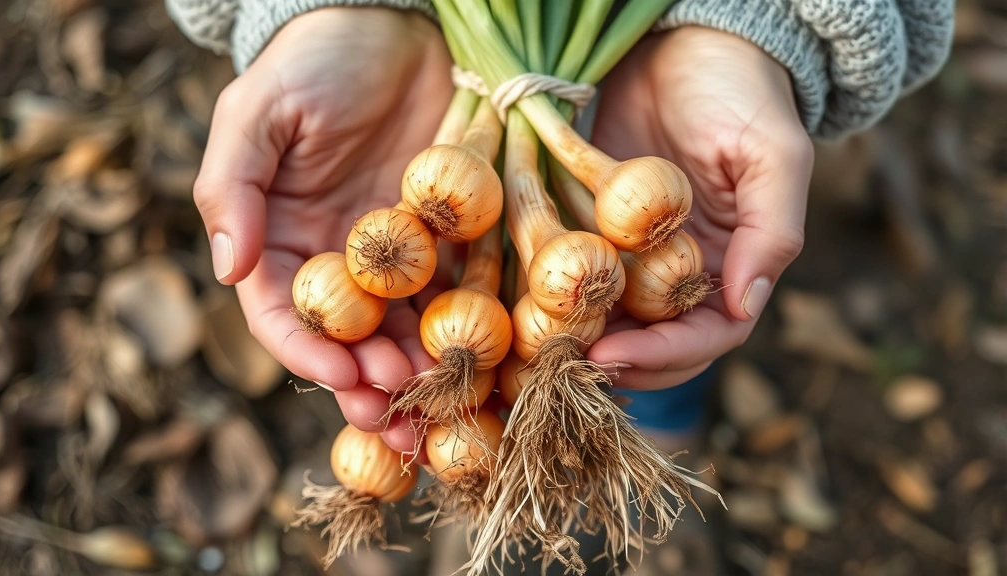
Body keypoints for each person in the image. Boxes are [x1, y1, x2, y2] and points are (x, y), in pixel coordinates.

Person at [166, 1, 953, 571]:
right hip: (449, 73)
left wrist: (759, 27)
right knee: (616, 318)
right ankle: (600, 456)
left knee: (654, 314)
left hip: (662, 69)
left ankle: (656, 443)